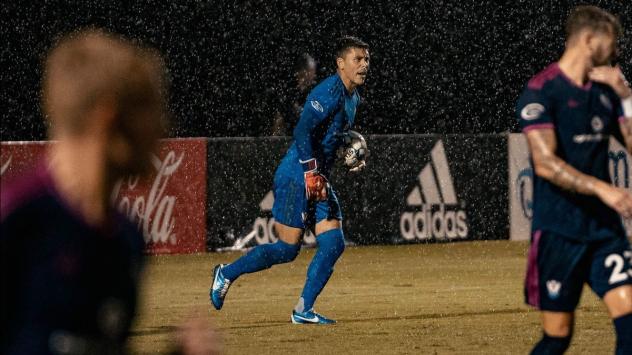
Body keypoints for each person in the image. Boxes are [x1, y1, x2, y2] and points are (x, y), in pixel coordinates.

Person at [0, 29, 168, 354]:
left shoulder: (127, 239)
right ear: (109, 118)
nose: (162, 128)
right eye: (150, 111)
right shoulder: (15, 220)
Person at [210, 36, 370, 324]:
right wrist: (310, 173)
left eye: (366, 59)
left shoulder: (353, 97)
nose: (364, 65)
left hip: (316, 177)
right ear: (340, 64)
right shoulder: (328, 93)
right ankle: (226, 273)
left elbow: (331, 135)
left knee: (334, 243)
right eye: (357, 59)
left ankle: (303, 311)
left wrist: (350, 149)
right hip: (297, 175)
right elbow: (301, 132)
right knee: (287, 250)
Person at [517, 6, 632, 354]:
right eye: (610, 43)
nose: (614, 53)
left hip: (604, 231)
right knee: (558, 336)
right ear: (588, 39)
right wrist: (604, 189)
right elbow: (546, 164)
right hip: (558, 231)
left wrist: (627, 97)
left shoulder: (606, 92)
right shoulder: (541, 91)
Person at [271, 53, 318, 136]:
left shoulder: (313, 90)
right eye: (312, 71)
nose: (314, 75)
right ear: (304, 71)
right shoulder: (288, 90)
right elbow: (279, 118)